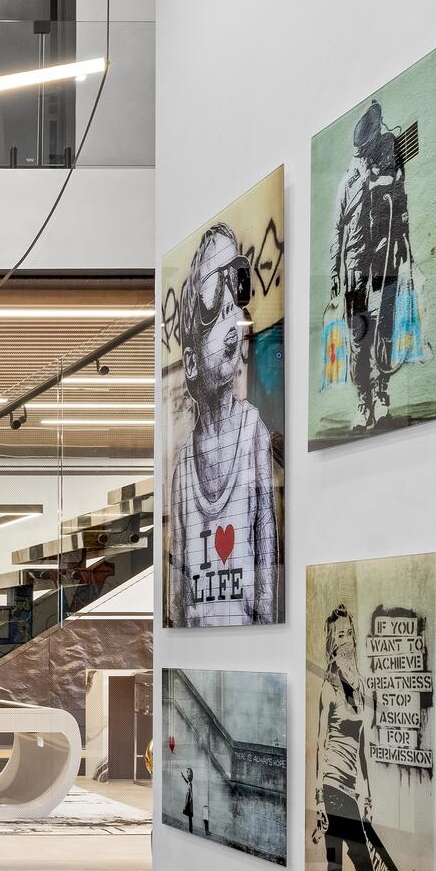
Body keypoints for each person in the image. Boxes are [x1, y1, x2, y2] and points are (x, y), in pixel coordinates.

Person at [164, 223, 279, 626]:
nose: (234, 318)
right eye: (218, 309)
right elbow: (176, 594)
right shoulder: (181, 470)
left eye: (237, 306)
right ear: (192, 362)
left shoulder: (253, 434)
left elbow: (267, 564)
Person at [327, 100, 414, 428]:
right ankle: (364, 400)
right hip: (353, 273)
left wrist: (403, 243)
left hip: (384, 264)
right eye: (362, 153)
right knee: (357, 338)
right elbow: (338, 230)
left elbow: (399, 207)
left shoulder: (390, 169)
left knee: (384, 332)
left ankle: (382, 394)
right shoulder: (347, 183)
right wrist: (336, 272)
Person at [310, 606, 381, 871]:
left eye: (350, 633)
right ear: (332, 644)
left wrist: (366, 793)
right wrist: (319, 799)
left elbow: (361, 743)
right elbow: (321, 742)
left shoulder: (359, 687)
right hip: (333, 789)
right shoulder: (329, 689)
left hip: (351, 791)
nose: (348, 640)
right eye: (341, 635)